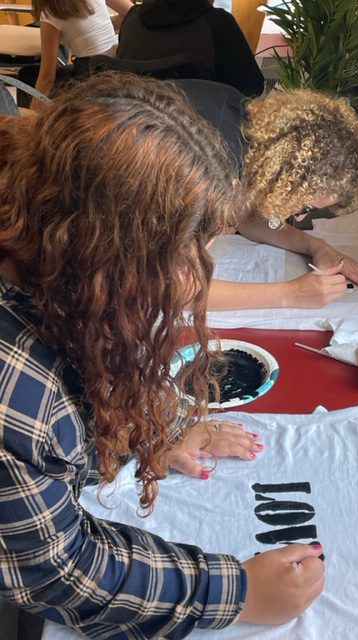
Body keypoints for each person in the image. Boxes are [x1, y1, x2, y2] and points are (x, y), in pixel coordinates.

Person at [0, 73, 325, 638]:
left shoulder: (50, 262)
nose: (192, 275)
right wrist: (237, 592)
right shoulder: (17, 392)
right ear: (100, 251)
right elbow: (57, 571)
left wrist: (154, 430)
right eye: (179, 251)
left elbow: (90, 352)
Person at [174, 79, 358, 310]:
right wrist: (290, 295)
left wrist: (317, 247)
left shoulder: (245, 127)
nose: (300, 218)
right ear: (289, 179)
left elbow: (247, 218)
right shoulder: (206, 176)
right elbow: (169, 288)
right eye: (306, 207)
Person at [117, 0, 265, 96]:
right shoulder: (217, 24)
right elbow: (253, 88)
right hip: (203, 135)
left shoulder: (132, 20)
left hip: (139, 131)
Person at [24, 0, 133, 107]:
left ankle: (29, 122)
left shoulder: (50, 14)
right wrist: (99, 26)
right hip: (118, 64)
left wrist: (32, 114)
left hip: (90, 73)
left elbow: (47, 77)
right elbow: (132, 12)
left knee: (28, 74)